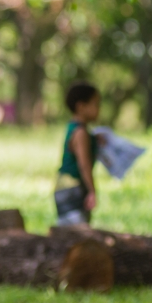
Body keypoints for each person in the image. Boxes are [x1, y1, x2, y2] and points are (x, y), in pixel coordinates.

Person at [55, 82, 102, 225]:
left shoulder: (74, 127)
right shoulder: (81, 133)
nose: (99, 109)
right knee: (76, 230)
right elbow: (84, 164)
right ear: (81, 107)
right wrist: (92, 190)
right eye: (95, 104)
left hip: (64, 184)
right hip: (73, 187)